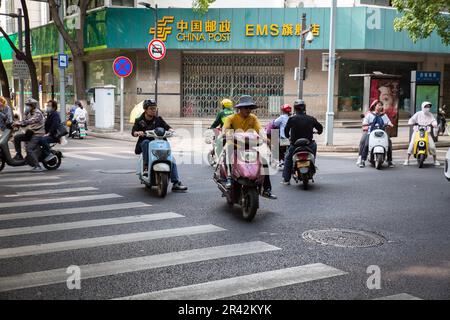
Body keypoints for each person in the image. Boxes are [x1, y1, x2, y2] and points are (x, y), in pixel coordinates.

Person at [222, 95, 277, 199]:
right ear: (240, 108)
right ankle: (229, 177)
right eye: (246, 107)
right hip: (234, 146)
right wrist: (226, 134)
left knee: (263, 161)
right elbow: (225, 128)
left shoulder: (253, 118)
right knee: (228, 154)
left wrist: (266, 139)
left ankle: (267, 189)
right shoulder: (231, 118)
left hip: (250, 146)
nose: (248, 110)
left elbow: (260, 130)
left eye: (250, 108)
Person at [131, 99, 187, 191]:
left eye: (155, 108)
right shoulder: (139, 120)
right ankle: (146, 167)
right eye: (151, 108)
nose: (154, 110)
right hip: (146, 142)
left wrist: (172, 131)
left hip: (159, 142)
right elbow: (133, 132)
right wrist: (137, 133)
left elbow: (167, 127)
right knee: (145, 143)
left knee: (171, 159)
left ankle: (176, 183)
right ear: (145, 109)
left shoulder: (158, 119)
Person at [281, 99, 323, 185]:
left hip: (295, 145)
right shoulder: (311, 119)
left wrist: (288, 137)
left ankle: (286, 179)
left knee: (288, 159)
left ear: (295, 109)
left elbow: (286, 131)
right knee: (314, 145)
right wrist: (318, 132)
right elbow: (320, 128)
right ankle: (312, 163)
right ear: (304, 108)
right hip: (309, 144)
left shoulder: (292, 119)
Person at [12, 98, 45, 171]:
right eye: (26, 105)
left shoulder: (38, 113)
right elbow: (24, 122)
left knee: (29, 148)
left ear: (33, 106)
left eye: (28, 105)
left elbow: (30, 121)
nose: (27, 107)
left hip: (37, 134)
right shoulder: (29, 113)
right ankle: (19, 155)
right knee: (17, 137)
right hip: (30, 133)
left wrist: (19, 123)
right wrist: (16, 123)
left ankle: (38, 166)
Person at [403, 101, 440, 166]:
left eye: (428, 107)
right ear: (422, 107)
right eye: (426, 106)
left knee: (432, 146)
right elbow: (412, 119)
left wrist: (434, 124)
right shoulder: (418, 114)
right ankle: (407, 159)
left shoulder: (430, 114)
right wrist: (411, 122)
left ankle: (435, 160)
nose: (427, 108)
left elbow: (433, 120)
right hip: (417, 132)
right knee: (412, 144)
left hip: (426, 133)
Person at [359, 103, 394, 168]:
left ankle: (389, 160)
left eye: (381, 105)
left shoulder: (384, 115)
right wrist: (366, 124)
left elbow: (388, 122)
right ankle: (362, 160)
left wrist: (390, 124)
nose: (380, 107)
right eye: (378, 105)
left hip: (382, 133)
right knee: (366, 144)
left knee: (389, 144)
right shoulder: (370, 115)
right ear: (375, 106)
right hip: (371, 133)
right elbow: (365, 122)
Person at [356, 100, 378, 165]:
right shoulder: (368, 113)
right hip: (368, 130)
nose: (378, 107)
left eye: (379, 105)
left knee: (388, 141)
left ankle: (389, 160)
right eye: (376, 105)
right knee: (363, 141)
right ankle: (360, 157)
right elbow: (364, 121)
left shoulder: (383, 114)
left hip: (379, 131)